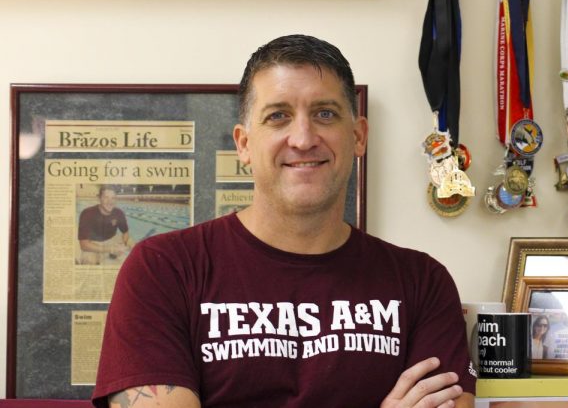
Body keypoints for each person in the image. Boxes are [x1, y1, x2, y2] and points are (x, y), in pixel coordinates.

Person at [92, 35, 476, 407]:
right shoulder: (164, 270)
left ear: (358, 136)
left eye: (325, 113)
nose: (303, 138)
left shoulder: (422, 283)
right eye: (278, 116)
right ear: (244, 144)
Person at [77, 185, 132, 265]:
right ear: (99, 198)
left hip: (111, 239)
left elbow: (125, 232)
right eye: (106, 197)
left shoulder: (119, 213)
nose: (110, 202)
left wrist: (123, 243)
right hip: (93, 244)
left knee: (126, 260)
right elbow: (84, 245)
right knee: (88, 261)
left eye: (113, 198)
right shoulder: (87, 213)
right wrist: (110, 249)